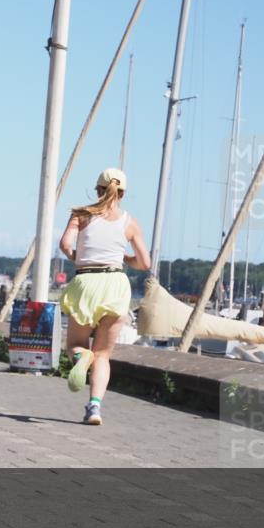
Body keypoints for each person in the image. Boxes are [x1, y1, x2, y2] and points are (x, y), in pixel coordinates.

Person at [58, 168, 150, 425]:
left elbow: (65, 244)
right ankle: (94, 408)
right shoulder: (130, 222)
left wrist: (79, 258)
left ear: (97, 189)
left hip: (87, 281)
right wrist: (125, 259)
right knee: (103, 354)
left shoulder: (82, 214)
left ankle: (80, 357)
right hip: (115, 284)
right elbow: (145, 262)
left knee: (76, 345)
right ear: (123, 193)